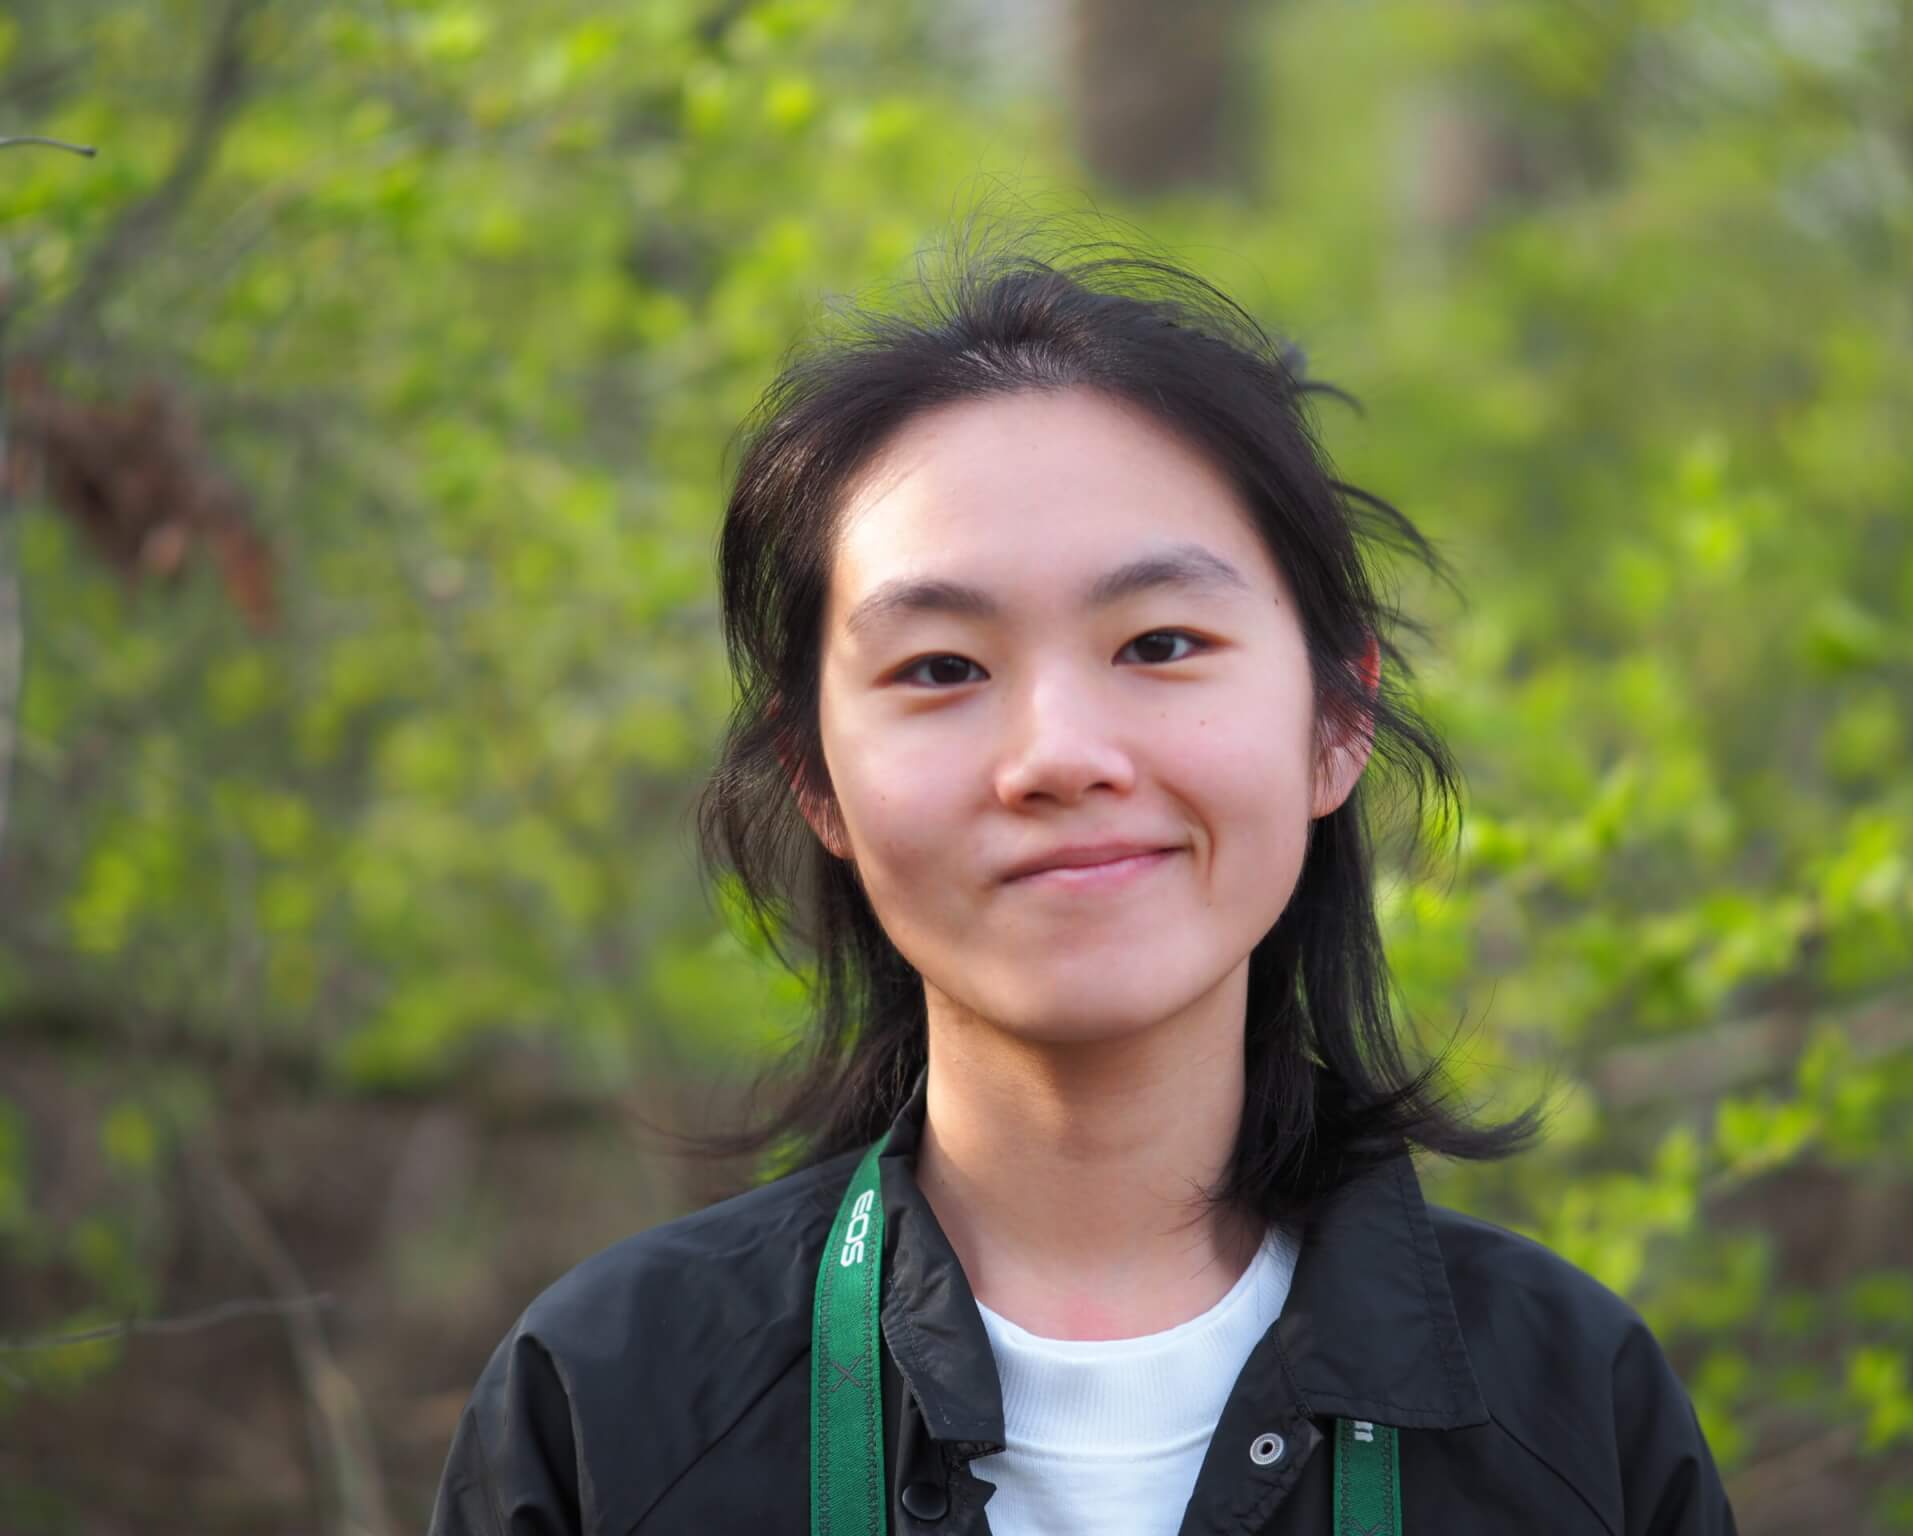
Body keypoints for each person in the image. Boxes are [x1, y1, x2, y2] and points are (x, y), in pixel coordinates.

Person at [427, 230, 1739, 1535]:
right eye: (941, 668)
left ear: (1338, 719)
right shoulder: (606, 1411)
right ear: (814, 775)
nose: (1058, 754)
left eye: (1159, 643)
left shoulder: (1574, 1414)